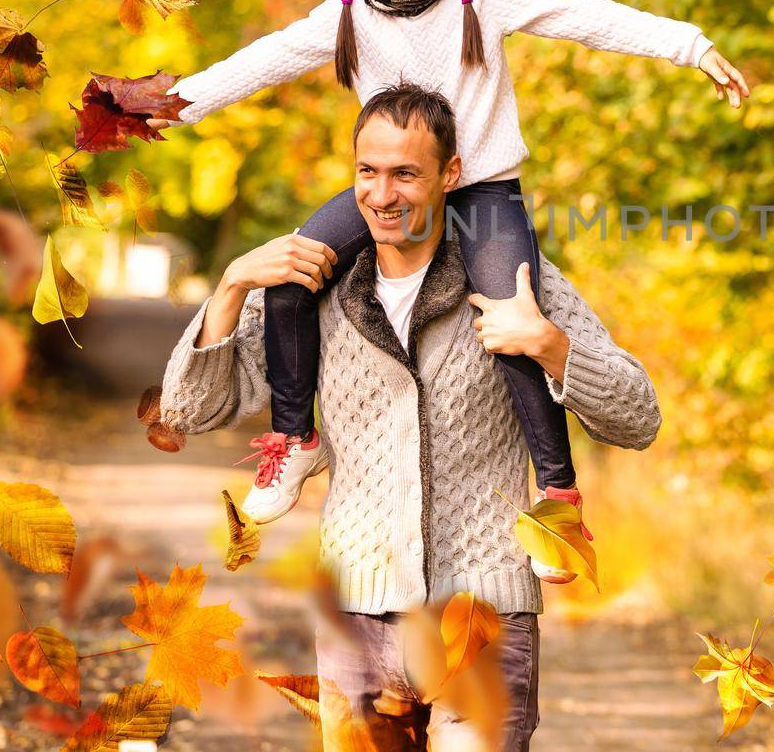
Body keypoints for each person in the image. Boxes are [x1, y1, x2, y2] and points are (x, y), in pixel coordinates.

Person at [153, 0, 747, 583]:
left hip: (483, 191)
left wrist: (689, 46)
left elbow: (585, 16)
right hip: (393, 185)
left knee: (513, 323)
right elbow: (262, 59)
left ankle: (558, 499)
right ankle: (295, 437)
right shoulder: (351, 7)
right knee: (295, 268)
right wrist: (162, 107)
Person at [158, 83, 662, 750]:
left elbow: (639, 417)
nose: (382, 193)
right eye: (367, 171)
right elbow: (189, 409)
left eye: (405, 173)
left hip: (481, 618)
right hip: (356, 620)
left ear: (451, 174)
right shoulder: (317, 285)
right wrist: (230, 287)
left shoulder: (516, 277)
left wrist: (548, 343)